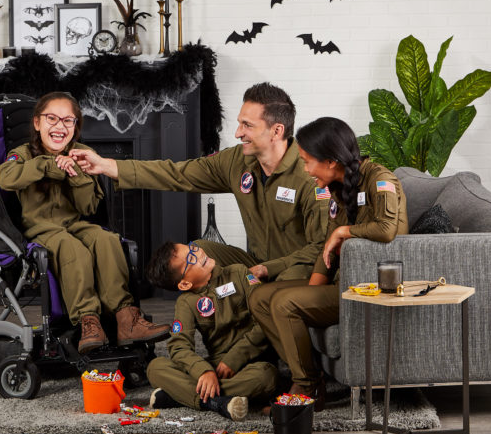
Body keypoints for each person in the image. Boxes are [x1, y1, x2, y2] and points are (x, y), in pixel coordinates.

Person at [70, 82, 328, 283]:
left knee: (288, 277)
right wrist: (106, 165)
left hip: (294, 269)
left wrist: (270, 269)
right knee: (199, 251)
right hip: (256, 260)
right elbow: (178, 173)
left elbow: (320, 248)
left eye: (247, 125)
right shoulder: (236, 161)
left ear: (277, 131)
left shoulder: (311, 175)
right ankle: (210, 326)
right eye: (239, 123)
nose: (238, 133)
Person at [248, 116, 408, 411]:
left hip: (371, 288)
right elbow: (327, 250)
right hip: (343, 283)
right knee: (259, 296)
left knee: (284, 303)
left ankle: (306, 388)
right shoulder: (338, 188)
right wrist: (310, 295)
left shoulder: (380, 179)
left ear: (332, 161)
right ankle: (309, 376)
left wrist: (343, 230)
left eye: (308, 162)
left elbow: (387, 229)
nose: (306, 170)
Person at [0, 91, 170, 354]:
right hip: (41, 229)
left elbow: (89, 207)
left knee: (107, 240)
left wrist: (75, 173)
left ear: (76, 127)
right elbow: (6, 178)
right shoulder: (21, 154)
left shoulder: (84, 154)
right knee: (71, 247)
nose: (60, 126)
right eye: (52, 118)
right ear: (37, 123)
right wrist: (49, 165)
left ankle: (126, 319)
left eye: (68, 121)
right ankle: (89, 321)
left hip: (75, 223)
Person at [144, 241, 277, 421]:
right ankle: (217, 402)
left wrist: (234, 359)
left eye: (193, 248)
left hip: (252, 361)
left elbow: (265, 320)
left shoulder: (239, 273)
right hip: (215, 367)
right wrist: (204, 372)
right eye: (191, 258)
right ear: (184, 284)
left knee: (265, 376)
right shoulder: (186, 302)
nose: (198, 253)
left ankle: (180, 396)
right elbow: (179, 346)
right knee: (155, 368)